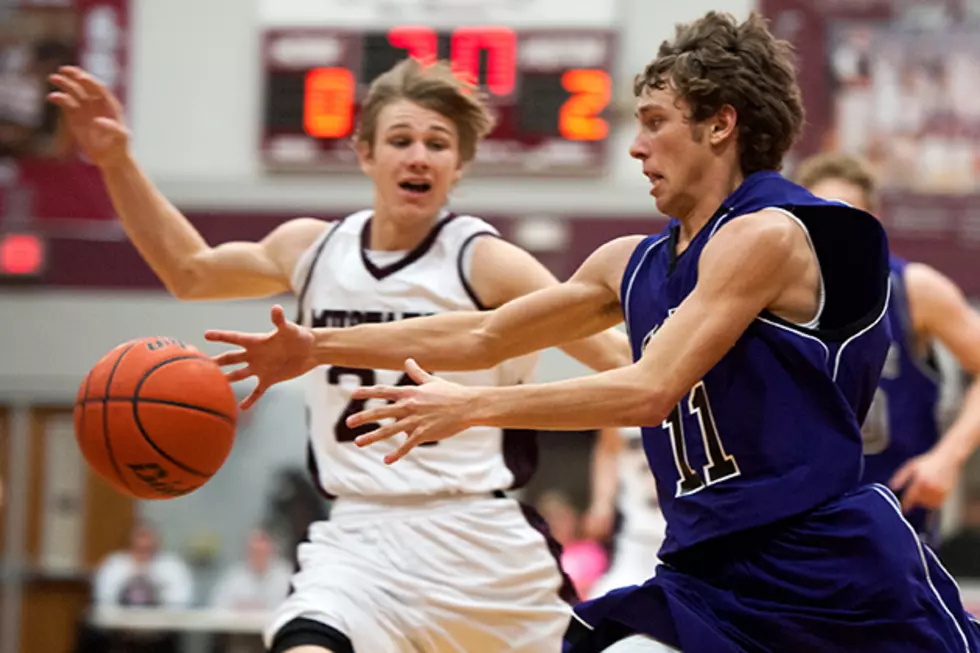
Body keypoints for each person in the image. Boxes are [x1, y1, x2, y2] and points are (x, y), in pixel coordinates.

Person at [205, 11, 980, 652]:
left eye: (654, 123)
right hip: (710, 574)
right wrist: (318, 345)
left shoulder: (767, 235)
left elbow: (648, 390)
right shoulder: (628, 262)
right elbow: (484, 337)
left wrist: (471, 408)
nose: (636, 147)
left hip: (826, 569)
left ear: (721, 124)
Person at [48, 57, 631, 653]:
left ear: (459, 166)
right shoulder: (313, 250)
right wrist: (116, 161)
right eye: (400, 139)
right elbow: (191, 272)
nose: (419, 156)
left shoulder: (486, 261)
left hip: (479, 542)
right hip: (358, 535)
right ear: (365, 153)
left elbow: (617, 360)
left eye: (438, 143)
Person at [797, 151, 980, 546]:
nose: (828, 228)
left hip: (893, 517)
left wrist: (947, 459)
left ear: (871, 224)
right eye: (813, 215)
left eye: (842, 214)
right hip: (796, 518)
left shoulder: (914, 290)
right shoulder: (767, 296)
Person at [581, 427, 666, 599]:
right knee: (600, 609)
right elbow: (608, 448)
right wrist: (601, 503)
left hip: (688, 540)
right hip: (637, 538)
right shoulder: (620, 407)